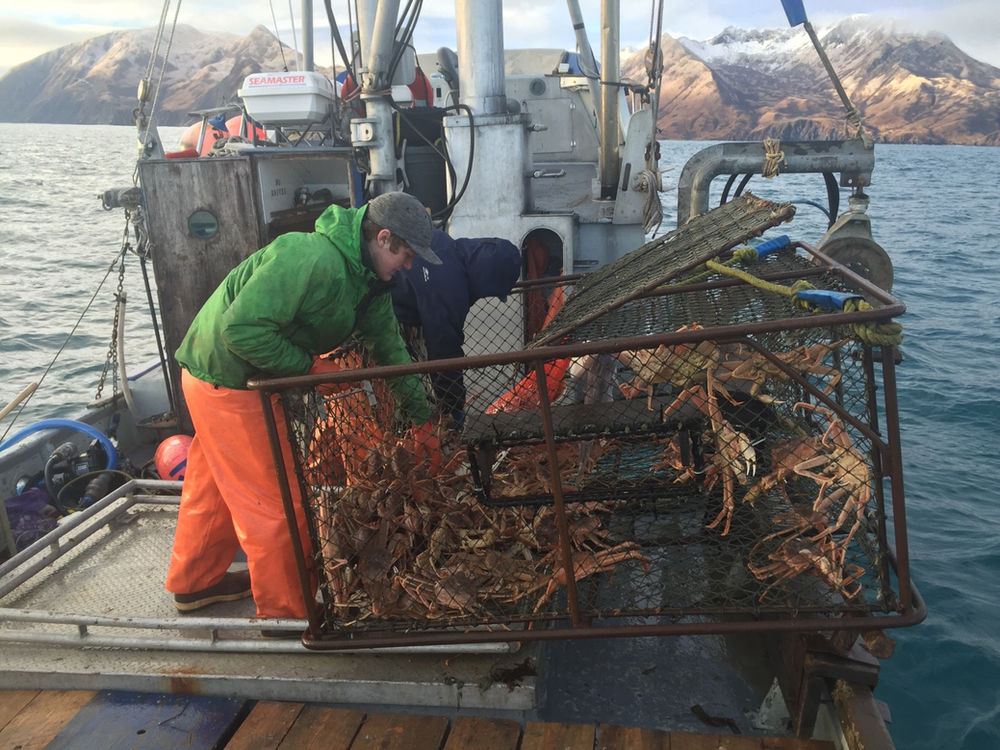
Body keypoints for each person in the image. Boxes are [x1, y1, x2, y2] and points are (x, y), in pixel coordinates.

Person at [164, 191, 443, 626]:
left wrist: (422, 419)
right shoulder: (310, 257)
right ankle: (287, 616)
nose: (408, 267)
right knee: (278, 506)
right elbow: (240, 330)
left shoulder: (369, 283)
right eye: (406, 255)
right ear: (383, 238)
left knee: (215, 485)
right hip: (228, 380)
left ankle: (195, 583)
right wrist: (310, 368)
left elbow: (391, 350)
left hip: (225, 378)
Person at [390, 229, 521, 425]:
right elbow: (443, 347)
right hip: (383, 321)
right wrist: (453, 406)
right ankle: (407, 429)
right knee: (400, 396)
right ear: (487, 279)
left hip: (380, 307)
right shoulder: (449, 284)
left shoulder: (445, 245)